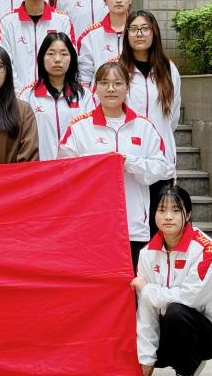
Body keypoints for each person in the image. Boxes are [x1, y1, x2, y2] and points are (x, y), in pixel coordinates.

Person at [58, 59, 173, 270]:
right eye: (104, 83)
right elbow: (64, 172)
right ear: (95, 88)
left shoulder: (144, 127)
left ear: (128, 87)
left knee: (134, 282)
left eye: (118, 83)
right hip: (91, 225)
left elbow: (162, 168)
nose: (111, 89)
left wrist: (130, 162)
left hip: (133, 225)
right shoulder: (79, 127)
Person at [131, 185, 212, 376]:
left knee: (176, 311)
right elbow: (147, 309)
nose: (168, 217)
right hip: (169, 330)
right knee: (136, 342)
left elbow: (189, 298)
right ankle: (185, 361)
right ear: (153, 214)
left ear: (188, 214)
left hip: (208, 335)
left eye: (176, 210)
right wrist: (146, 358)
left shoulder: (206, 250)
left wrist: (147, 289)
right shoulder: (147, 254)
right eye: (162, 210)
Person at [120, 10, 182, 233]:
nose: (139, 34)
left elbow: (172, 116)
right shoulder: (118, 69)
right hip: (129, 162)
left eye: (145, 28)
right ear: (126, 34)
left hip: (160, 162)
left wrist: (158, 142)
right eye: (134, 29)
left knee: (160, 229)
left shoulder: (168, 69)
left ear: (154, 32)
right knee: (130, 230)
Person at [0, 0, 75, 88]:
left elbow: (69, 59)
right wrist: (19, 92)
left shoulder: (62, 21)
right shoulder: (7, 23)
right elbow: (4, 61)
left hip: (54, 92)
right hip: (16, 94)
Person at [19, 32, 93, 161]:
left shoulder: (84, 95)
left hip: (75, 168)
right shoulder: (28, 95)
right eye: (51, 54)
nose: (57, 59)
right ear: (42, 58)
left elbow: (90, 135)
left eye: (64, 54)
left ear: (72, 58)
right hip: (40, 168)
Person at [77, 0, 133, 86]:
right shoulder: (91, 35)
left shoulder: (139, 32)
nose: (118, 0)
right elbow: (84, 77)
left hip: (134, 95)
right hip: (101, 95)